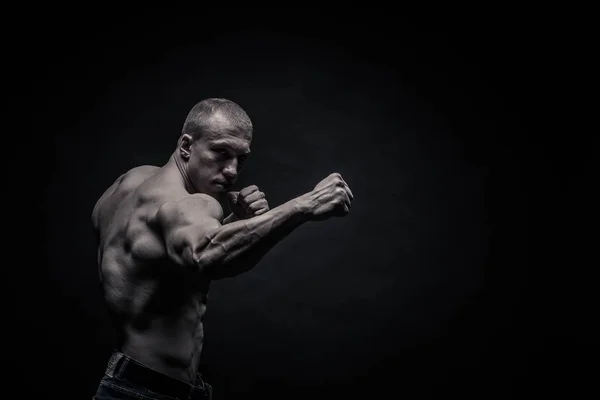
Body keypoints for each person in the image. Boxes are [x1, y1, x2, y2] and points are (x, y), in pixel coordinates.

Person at [91, 98, 354, 400]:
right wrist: (305, 205)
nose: (231, 171)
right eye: (221, 152)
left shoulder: (128, 184)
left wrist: (234, 222)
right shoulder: (190, 205)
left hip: (121, 381)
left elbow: (159, 258)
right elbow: (206, 255)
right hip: (153, 392)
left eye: (240, 159)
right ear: (186, 146)